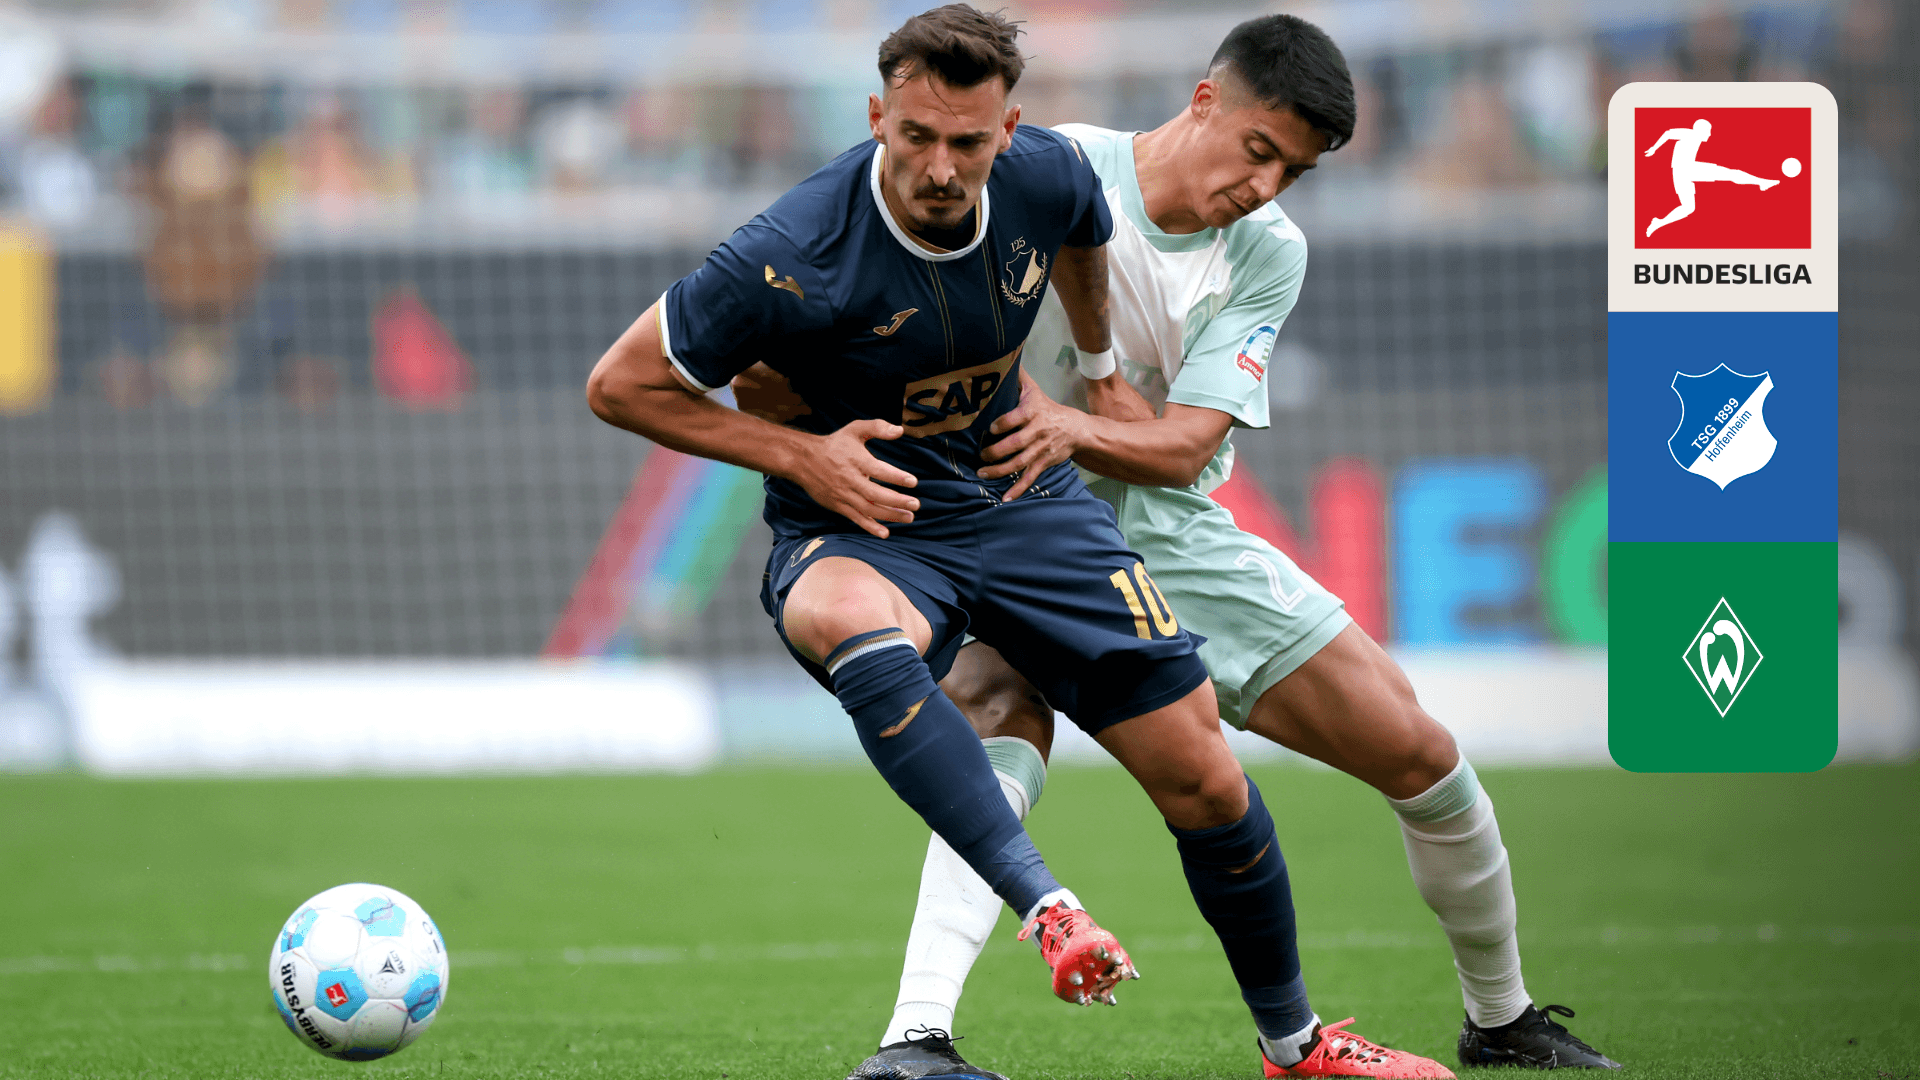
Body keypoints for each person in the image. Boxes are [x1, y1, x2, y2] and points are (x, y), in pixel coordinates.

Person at [804, 13, 1622, 1079]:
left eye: (1295, 171)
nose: (1266, 185)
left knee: (1420, 753)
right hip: (1000, 514)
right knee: (1000, 719)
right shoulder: (1053, 167)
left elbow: (1186, 447)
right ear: (1204, 101)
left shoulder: (1270, 251)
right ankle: (917, 1036)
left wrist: (1073, 424)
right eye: (1259, 150)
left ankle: (1500, 1019)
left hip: (1163, 528)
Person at [587, 7, 1349, 1074]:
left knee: (1206, 780)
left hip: (1023, 498)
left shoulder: (1046, 174)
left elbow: (1084, 225)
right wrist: (801, 456)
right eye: (916, 137)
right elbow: (620, 385)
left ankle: (1296, 1048)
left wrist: (1098, 371)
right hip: (870, 516)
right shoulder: (788, 254)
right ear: (876, 118)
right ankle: (1044, 913)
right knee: (838, 615)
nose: (941, 169)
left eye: (968, 142)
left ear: (1009, 132)